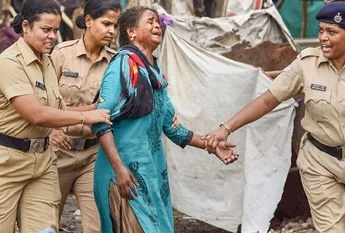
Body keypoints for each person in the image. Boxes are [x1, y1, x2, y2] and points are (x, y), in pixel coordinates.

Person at [204, 2, 345, 233]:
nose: (323, 38)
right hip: (321, 163)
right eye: (321, 31)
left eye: (332, 32)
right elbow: (268, 100)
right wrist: (226, 128)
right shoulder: (306, 63)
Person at [92, 6, 239, 233]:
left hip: (150, 174)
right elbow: (100, 119)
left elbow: (172, 127)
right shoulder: (122, 65)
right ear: (131, 32)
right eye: (150, 21)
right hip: (124, 177)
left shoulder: (155, 73)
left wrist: (211, 145)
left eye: (158, 22)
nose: (157, 26)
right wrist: (119, 168)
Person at [0, 0, 111, 232]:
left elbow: (56, 109)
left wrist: (90, 111)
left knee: (44, 230)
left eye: (55, 30)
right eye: (46, 30)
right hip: (7, 163)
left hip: (43, 163)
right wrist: (84, 119)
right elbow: (36, 114)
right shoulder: (8, 63)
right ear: (27, 26)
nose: (52, 36)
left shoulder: (47, 61)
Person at [49, 1, 120, 232]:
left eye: (115, 25)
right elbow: (43, 100)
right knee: (46, 224)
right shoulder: (62, 53)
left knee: (97, 226)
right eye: (106, 23)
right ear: (89, 21)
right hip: (57, 154)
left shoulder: (116, 61)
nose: (112, 30)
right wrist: (51, 130)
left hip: (93, 154)